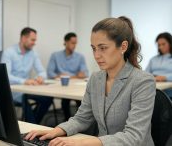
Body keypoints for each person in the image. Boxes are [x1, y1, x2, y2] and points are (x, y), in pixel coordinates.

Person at [25, 16, 156, 146]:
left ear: (123, 46)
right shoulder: (96, 79)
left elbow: (134, 136)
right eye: (94, 48)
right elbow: (82, 118)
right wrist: (56, 131)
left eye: (103, 48)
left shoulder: (142, 81)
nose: (96, 55)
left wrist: (82, 142)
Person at [1, 27, 53, 123]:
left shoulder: (33, 53)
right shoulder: (9, 52)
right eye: (32, 40)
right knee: (24, 97)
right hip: (12, 90)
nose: (34, 43)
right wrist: (24, 81)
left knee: (48, 98)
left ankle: (34, 123)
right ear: (24, 38)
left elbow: (42, 71)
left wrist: (40, 77)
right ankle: (32, 126)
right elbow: (6, 76)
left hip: (28, 88)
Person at [47, 32, 89, 121]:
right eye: (72, 43)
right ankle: (67, 121)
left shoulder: (80, 57)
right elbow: (50, 73)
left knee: (81, 101)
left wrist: (64, 76)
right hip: (61, 87)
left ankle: (81, 122)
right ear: (66, 42)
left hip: (75, 87)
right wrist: (75, 76)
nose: (74, 45)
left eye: (76, 43)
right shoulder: (55, 55)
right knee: (65, 101)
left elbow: (84, 74)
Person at [146, 32, 172, 98]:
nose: (161, 47)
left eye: (163, 44)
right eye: (159, 45)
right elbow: (145, 74)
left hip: (169, 89)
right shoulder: (153, 59)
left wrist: (165, 78)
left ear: (170, 43)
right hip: (154, 87)